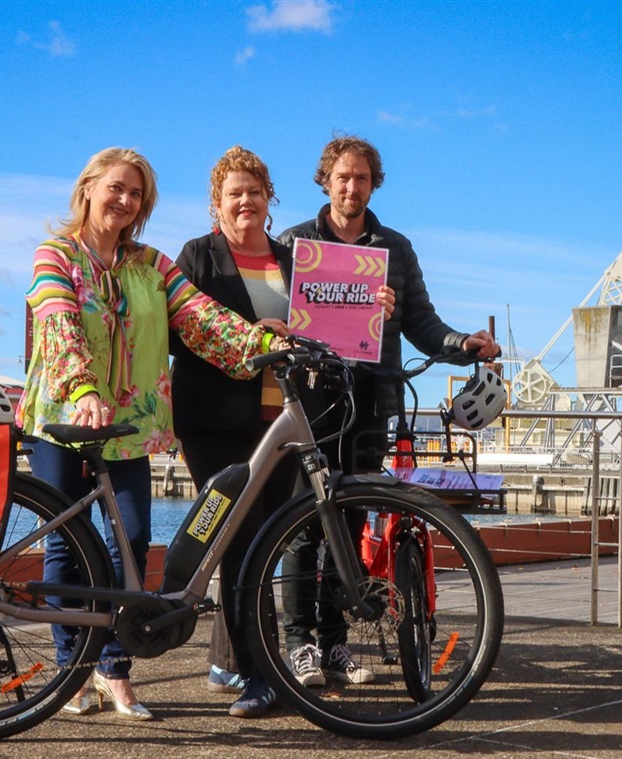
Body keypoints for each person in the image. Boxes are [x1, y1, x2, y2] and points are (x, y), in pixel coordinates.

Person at [16, 147, 283, 720]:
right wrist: (83, 389)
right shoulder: (55, 254)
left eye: (136, 194)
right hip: (65, 417)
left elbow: (201, 317)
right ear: (88, 188)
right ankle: (72, 673)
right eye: (116, 188)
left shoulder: (153, 265)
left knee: (132, 541)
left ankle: (114, 669)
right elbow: (58, 321)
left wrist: (263, 344)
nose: (125, 200)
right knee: (65, 544)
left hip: (130, 426)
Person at [171, 145, 394, 717]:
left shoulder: (294, 256)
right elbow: (180, 333)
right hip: (215, 423)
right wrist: (255, 332)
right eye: (234, 193)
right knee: (236, 544)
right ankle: (258, 673)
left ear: (271, 199)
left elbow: (333, 321)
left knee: (267, 545)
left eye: (255, 191)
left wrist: (376, 304)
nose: (246, 201)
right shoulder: (198, 257)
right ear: (217, 204)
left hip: (285, 420)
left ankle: (251, 665)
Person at [275, 134, 501, 686]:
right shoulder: (293, 243)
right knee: (305, 526)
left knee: (349, 522)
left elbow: (424, 324)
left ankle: (334, 644)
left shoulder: (394, 248)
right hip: (311, 399)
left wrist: (463, 344)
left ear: (374, 184)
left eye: (363, 178)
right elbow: (275, 317)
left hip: (372, 399)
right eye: (343, 177)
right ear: (326, 180)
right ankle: (298, 642)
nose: (352, 187)